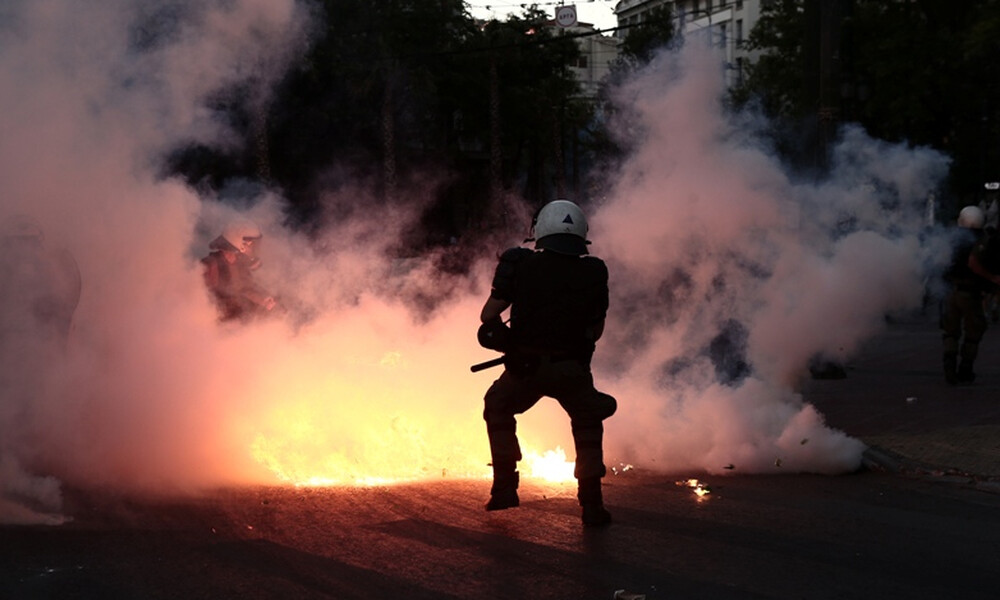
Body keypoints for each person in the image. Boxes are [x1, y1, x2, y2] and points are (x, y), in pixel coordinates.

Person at [478, 199, 617, 527]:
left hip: (525, 368)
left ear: (539, 231)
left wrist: (508, 337)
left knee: (497, 404)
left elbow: (488, 316)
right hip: (572, 369)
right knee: (587, 421)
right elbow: (595, 331)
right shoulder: (595, 271)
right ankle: (592, 504)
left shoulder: (519, 262)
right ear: (581, 234)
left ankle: (504, 489)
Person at [940, 205, 1000, 384]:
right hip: (970, 293)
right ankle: (965, 369)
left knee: (950, 333)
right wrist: (993, 279)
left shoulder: (951, 239)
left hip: (950, 291)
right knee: (973, 333)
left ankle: (949, 368)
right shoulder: (982, 240)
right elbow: (974, 263)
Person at [201, 221, 277, 322]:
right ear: (239, 243)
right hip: (217, 322)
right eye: (251, 245)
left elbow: (244, 287)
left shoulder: (239, 263)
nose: (252, 249)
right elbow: (200, 300)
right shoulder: (210, 265)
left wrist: (262, 299)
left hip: (235, 318)